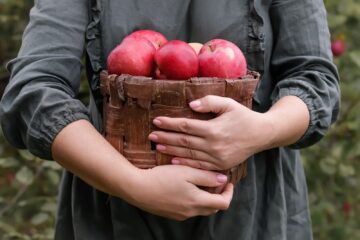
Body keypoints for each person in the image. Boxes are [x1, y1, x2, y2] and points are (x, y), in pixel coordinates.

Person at [0, 0, 340, 239]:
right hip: (113, 215)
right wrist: (133, 184)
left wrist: (261, 130)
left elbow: (314, 79)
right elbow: (34, 90)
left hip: (251, 215)